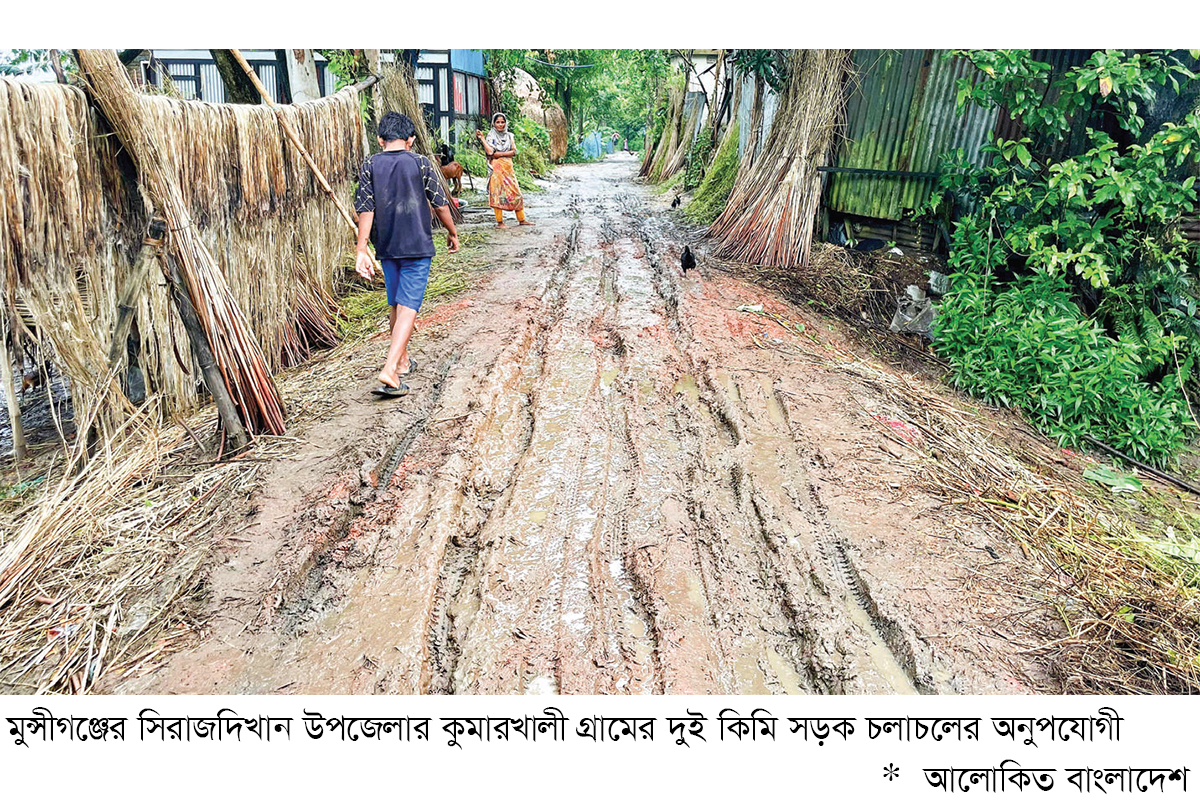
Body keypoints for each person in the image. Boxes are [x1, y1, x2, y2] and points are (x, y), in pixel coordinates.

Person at [354, 112, 459, 398]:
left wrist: (362, 249)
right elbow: (440, 204)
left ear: (380, 140)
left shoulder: (370, 164)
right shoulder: (421, 163)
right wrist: (452, 232)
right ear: (410, 139)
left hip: (387, 247)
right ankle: (390, 370)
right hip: (416, 245)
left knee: (396, 305)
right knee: (409, 307)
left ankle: (402, 361)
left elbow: (366, 208)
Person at [476, 113, 534, 229]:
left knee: (516, 193)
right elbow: (490, 152)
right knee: (497, 194)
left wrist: (499, 154)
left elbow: (514, 152)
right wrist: (482, 139)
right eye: (498, 122)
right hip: (497, 169)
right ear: (493, 123)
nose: (500, 125)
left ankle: (522, 219)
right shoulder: (491, 136)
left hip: (508, 168)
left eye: (502, 122)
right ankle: (500, 222)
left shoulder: (509, 136)